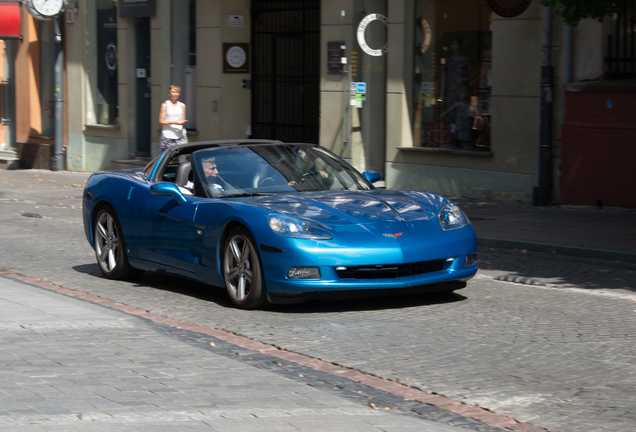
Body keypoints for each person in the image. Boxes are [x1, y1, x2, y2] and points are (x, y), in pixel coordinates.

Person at [159, 85, 188, 152]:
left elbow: (183, 120)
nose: (175, 94)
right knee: (168, 158)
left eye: (177, 92)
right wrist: (174, 122)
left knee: (183, 156)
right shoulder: (165, 105)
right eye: (173, 92)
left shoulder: (182, 105)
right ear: (169, 93)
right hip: (167, 136)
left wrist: (183, 122)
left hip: (180, 136)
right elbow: (161, 121)